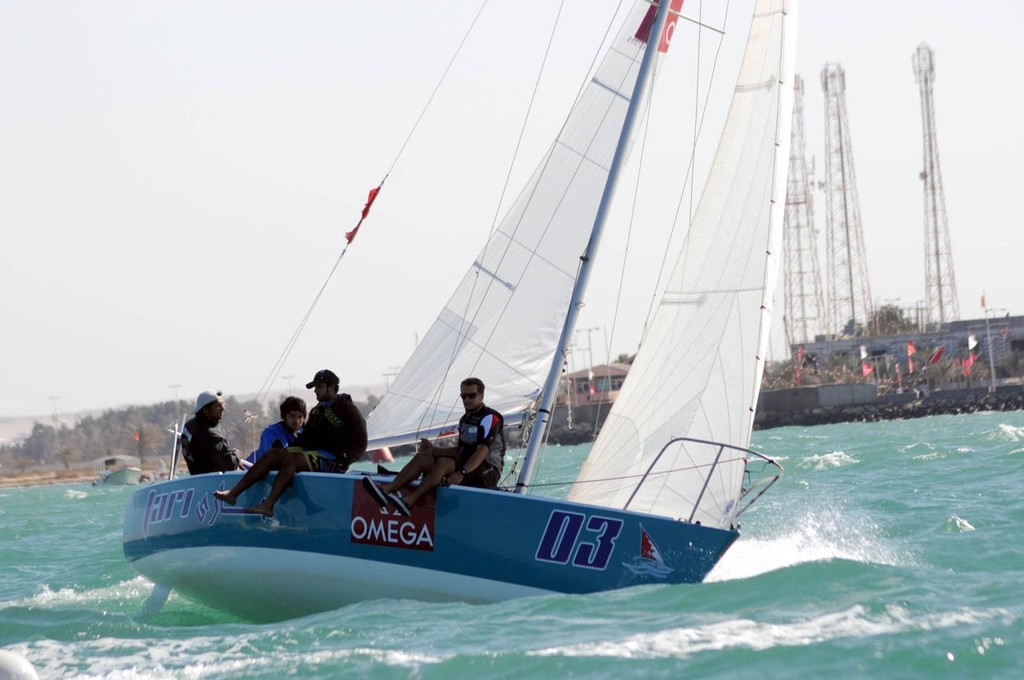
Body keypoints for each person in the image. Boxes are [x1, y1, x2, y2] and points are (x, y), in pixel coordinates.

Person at [213, 369, 367, 517]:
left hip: (334, 459)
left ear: (332, 388)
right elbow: (306, 438)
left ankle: (268, 505)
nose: (315, 391)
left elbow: (361, 442)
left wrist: (344, 461)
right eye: (314, 388)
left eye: (319, 387)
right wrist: (285, 452)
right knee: (273, 454)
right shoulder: (317, 411)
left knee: (293, 459)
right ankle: (233, 494)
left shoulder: (348, 409)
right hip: (316, 454)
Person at [363, 377, 505, 517]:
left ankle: (410, 501)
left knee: (444, 462)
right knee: (422, 458)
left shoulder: (490, 417)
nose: (467, 399)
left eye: (471, 395)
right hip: (467, 466)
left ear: (481, 396)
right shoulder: (465, 419)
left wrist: (460, 473)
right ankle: (386, 490)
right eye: (463, 396)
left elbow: (482, 451)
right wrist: (432, 450)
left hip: (488, 472)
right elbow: (460, 451)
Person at [181, 390, 242, 475]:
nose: (223, 408)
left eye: (223, 404)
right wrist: (237, 454)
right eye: (218, 406)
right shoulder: (211, 435)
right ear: (206, 410)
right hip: (214, 482)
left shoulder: (189, 425)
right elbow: (230, 466)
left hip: (196, 480)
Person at [245, 396, 307, 465]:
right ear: (284, 416)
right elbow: (278, 456)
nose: (297, 421)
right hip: (251, 468)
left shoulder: (304, 433)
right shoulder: (271, 433)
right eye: (292, 416)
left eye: (300, 416)